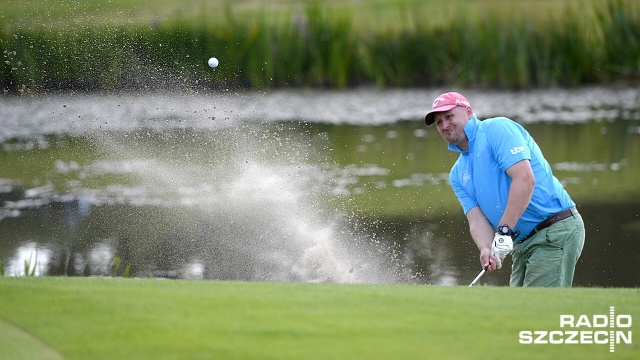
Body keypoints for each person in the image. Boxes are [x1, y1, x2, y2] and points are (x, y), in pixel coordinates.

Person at [423, 91, 585, 287]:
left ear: (468, 112)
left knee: (535, 310)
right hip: (522, 243)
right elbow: (476, 219)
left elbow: (525, 179)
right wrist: (485, 248)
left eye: (449, 117)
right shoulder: (457, 173)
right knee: (517, 309)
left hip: (553, 229)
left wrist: (504, 231)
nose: (444, 125)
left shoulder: (496, 129)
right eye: (439, 122)